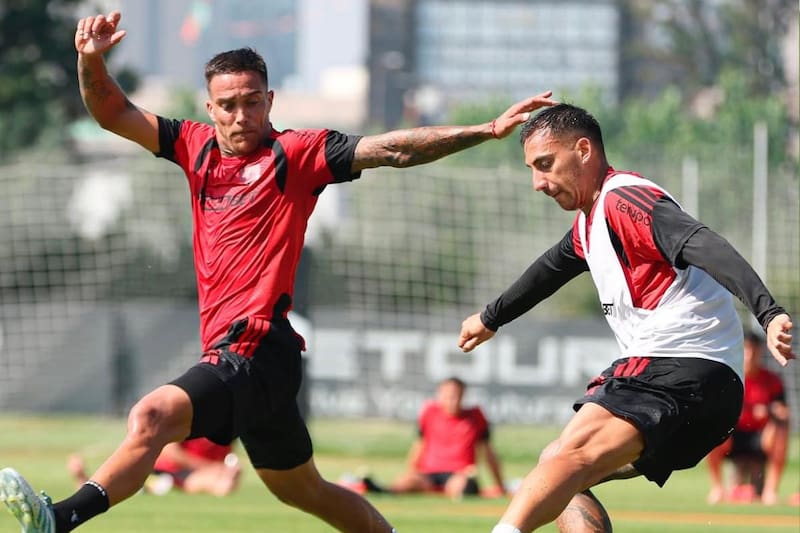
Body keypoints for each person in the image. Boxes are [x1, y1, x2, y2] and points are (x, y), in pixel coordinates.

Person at [0, 10, 557, 533]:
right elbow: (113, 113)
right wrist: (90, 60)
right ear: (210, 107)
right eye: (227, 105)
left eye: (251, 102)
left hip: (255, 349)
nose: (240, 115)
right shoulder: (192, 146)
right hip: (255, 360)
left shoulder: (297, 154)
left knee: (151, 416)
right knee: (303, 491)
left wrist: (486, 129)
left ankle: (59, 519)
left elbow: (393, 149)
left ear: (269, 100)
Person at [457, 103, 795, 533]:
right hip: (701, 386)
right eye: (532, 170)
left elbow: (703, 242)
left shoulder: (625, 199)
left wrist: (768, 312)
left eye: (545, 164)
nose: (538, 183)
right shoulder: (589, 223)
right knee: (558, 469)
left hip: (683, 366)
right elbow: (549, 269)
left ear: (583, 150)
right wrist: (490, 318)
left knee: (566, 460)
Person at [357, 377, 506, 500]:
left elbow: (488, 452)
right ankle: (381, 490)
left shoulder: (475, 416)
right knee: (405, 483)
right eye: (449, 396)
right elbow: (419, 445)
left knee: (462, 486)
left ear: (463, 396)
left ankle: (467, 490)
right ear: (440, 395)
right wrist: (411, 472)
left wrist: (500, 485)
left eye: (457, 396)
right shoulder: (430, 412)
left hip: (458, 473)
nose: (453, 401)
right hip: (429, 473)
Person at [705, 329, 790, 505]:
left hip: (762, 437)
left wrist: (769, 410)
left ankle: (770, 492)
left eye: (754, 350)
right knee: (711, 431)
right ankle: (718, 488)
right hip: (733, 436)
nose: (750, 355)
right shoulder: (728, 378)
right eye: (746, 349)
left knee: (781, 430)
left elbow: (783, 412)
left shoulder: (772, 380)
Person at [68, 437, 242, 497]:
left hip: (190, 476)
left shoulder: (228, 432)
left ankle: (150, 486)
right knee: (118, 484)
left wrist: (228, 472)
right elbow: (170, 451)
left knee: (223, 485)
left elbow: (223, 460)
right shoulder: (195, 420)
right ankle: (85, 481)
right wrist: (208, 466)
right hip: (164, 468)